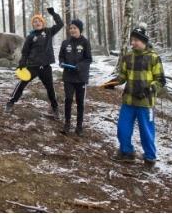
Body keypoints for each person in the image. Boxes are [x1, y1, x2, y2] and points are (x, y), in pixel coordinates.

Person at [101, 25, 166, 168]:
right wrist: (113, 83)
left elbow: (161, 80)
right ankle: (126, 153)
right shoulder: (128, 57)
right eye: (132, 40)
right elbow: (123, 76)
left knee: (146, 132)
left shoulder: (153, 58)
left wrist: (148, 90)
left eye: (136, 40)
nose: (133, 43)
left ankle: (150, 158)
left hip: (145, 103)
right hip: (128, 101)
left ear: (143, 40)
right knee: (122, 128)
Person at [5, 7, 64, 119]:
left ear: (43, 22)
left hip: (46, 67)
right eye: (35, 22)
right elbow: (25, 51)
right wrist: (22, 63)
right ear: (33, 24)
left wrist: (54, 14)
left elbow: (60, 24)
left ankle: (55, 108)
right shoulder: (31, 36)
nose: (37, 23)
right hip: (32, 66)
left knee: (50, 88)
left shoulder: (48, 32)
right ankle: (11, 102)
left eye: (39, 21)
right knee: (22, 84)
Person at [58, 19, 92, 137]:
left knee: (80, 102)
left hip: (81, 78)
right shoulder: (65, 42)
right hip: (68, 77)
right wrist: (61, 63)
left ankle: (79, 126)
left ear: (80, 29)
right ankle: (67, 124)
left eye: (75, 28)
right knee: (68, 99)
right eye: (71, 28)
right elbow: (61, 57)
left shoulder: (85, 42)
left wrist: (79, 66)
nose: (72, 30)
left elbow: (88, 59)